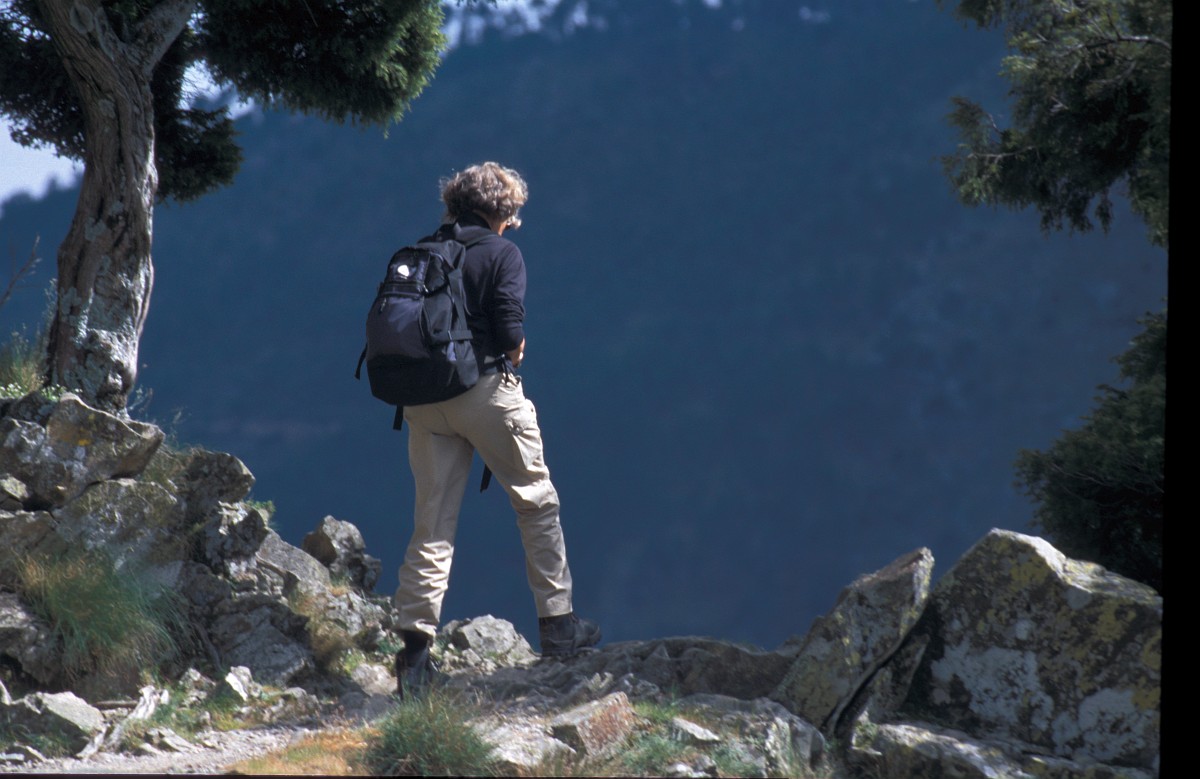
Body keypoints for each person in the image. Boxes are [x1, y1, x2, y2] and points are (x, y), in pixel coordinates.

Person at [393, 162, 600, 696]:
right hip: (483, 392)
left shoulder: (422, 251)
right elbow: (509, 329)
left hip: (423, 401)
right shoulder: (501, 252)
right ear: (502, 212)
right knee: (535, 501)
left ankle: (414, 657)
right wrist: (517, 349)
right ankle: (558, 625)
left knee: (432, 521)